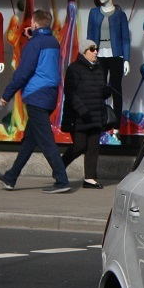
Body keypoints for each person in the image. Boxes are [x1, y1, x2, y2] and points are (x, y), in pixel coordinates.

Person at [0, 9, 72, 193]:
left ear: (35, 23)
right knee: (30, 140)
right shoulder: (52, 41)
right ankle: (11, 177)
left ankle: (62, 180)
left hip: (36, 95)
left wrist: (7, 94)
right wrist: (34, 36)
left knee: (46, 141)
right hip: (49, 94)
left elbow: (23, 72)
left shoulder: (34, 44)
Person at [61, 42, 108, 189]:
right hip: (79, 116)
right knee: (79, 146)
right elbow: (69, 93)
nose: (95, 52)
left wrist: (107, 91)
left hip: (95, 114)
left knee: (93, 147)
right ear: (84, 52)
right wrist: (81, 110)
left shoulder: (99, 67)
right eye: (92, 50)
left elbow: (101, 90)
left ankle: (90, 178)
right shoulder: (74, 69)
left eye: (96, 49)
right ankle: (59, 166)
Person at [85, 0, 131, 129]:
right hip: (99, 56)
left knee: (116, 89)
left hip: (116, 55)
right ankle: (100, 124)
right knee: (99, 89)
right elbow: (90, 36)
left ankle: (116, 127)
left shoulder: (120, 15)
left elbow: (125, 39)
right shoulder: (94, 13)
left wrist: (126, 59)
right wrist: (89, 56)